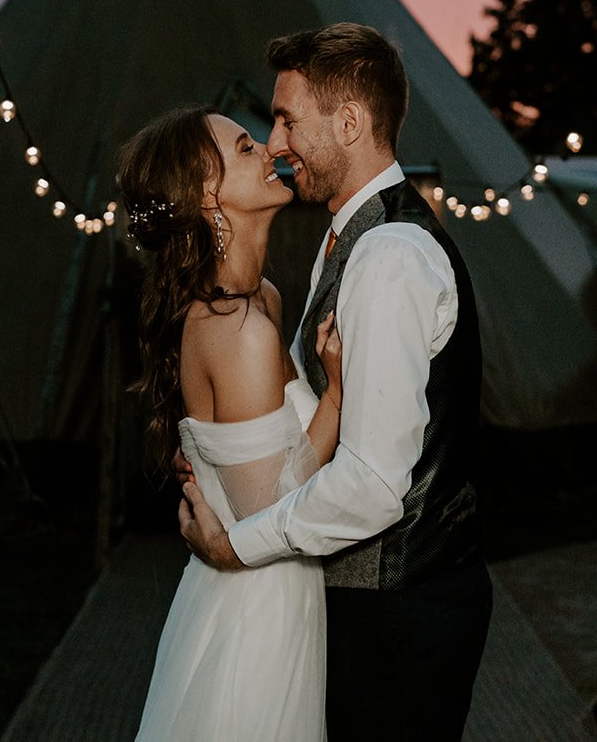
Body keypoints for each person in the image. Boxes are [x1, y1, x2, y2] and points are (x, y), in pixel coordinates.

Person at [178, 22, 492, 738]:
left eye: (288, 119)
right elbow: (295, 417)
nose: (277, 141)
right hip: (367, 611)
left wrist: (240, 543)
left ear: (349, 122)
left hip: (400, 616)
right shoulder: (347, 240)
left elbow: (375, 486)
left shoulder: (387, 255)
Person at [119, 104, 344, 741]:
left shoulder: (262, 298)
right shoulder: (235, 327)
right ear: (207, 196)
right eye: (245, 148)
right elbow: (275, 505)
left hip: (272, 594)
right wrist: (340, 392)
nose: (269, 150)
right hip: (258, 617)